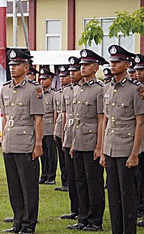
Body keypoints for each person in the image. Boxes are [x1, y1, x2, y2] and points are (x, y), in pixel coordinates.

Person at [102, 45, 144, 234]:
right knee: (113, 195)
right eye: (111, 62)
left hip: (127, 149)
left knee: (128, 195)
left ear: (127, 64)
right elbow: (106, 120)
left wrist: (135, 153)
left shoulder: (136, 90)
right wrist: (103, 150)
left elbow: (140, 124)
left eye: (117, 62)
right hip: (111, 148)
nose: (113, 65)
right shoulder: (107, 88)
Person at [0, 48, 44, 234]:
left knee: (28, 187)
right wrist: (2, 137)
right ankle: (17, 221)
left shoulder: (34, 90)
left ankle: (28, 224)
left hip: (26, 143)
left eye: (17, 65)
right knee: (14, 187)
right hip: (10, 142)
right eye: (11, 65)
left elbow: (38, 119)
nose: (13, 68)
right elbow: (4, 116)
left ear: (26, 67)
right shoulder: (5, 88)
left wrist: (38, 144)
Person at [66, 49, 107, 231]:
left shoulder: (99, 90)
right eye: (81, 65)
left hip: (92, 142)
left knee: (94, 183)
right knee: (79, 181)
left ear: (95, 67)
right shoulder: (77, 89)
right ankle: (82, 217)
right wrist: (74, 142)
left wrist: (99, 146)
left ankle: (95, 219)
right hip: (79, 140)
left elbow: (101, 119)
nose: (82, 68)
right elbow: (76, 119)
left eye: (86, 65)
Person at [59, 57, 83, 222]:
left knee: (83, 179)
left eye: (75, 71)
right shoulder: (67, 91)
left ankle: (86, 212)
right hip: (69, 136)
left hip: (83, 137)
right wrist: (62, 136)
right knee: (72, 177)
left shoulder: (88, 90)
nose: (72, 74)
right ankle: (75, 209)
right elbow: (65, 116)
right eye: (70, 72)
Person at [133, 53, 144, 227]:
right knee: (142, 180)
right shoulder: (137, 91)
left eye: (142, 69)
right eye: (136, 70)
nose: (138, 73)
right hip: (140, 143)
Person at [38, 67, 58, 186]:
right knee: (43, 154)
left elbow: (56, 112)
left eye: (44, 79)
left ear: (50, 80)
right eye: (41, 79)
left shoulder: (54, 94)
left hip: (50, 127)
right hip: (41, 128)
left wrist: (55, 128)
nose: (42, 81)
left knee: (51, 154)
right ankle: (44, 175)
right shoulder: (38, 93)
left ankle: (51, 176)